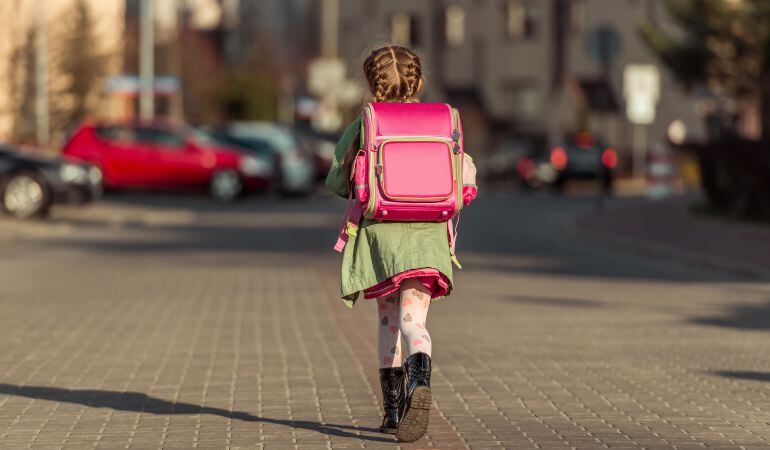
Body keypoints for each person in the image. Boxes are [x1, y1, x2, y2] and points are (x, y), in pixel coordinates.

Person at [325, 45, 477, 443]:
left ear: (372, 85)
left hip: (382, 240)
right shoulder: (442, 122)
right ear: (419, 82)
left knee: (388, 323)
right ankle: (420, 382)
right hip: (428, 239)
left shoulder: (367, 123)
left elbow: (339, 178)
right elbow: (465, 181)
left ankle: (392, 411)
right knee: (415, 323)